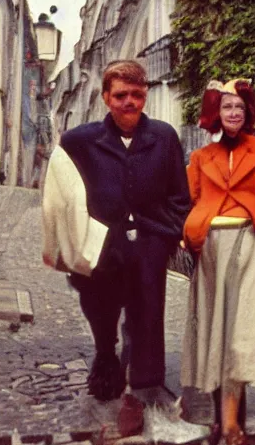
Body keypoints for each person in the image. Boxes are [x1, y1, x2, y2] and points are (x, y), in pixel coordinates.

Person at [42, 60, 191, 403]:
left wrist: (166, 237)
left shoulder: (163, 138)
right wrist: (70, 240)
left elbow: (179, 196)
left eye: (137, 95)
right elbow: (60, 191)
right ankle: (105, 359)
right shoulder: (81, 141)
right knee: (102, 315)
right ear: (106, 97)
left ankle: (142, 392)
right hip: (101, 250)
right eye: (121, 94)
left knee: (146, 320)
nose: (130, 102)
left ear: (146, 96)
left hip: (148, 246)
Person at [180, 79, 255, 445]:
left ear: (248, 112)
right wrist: (189, 238)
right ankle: (220, 418)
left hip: (250, 244)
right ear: (217, 113)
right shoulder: (201, 158)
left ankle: (231, 424)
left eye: (239, 108)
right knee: (215, 330)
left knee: (239, 331)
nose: (233, 113)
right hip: (212, 250)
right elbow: (191, 200)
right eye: (227, 107)